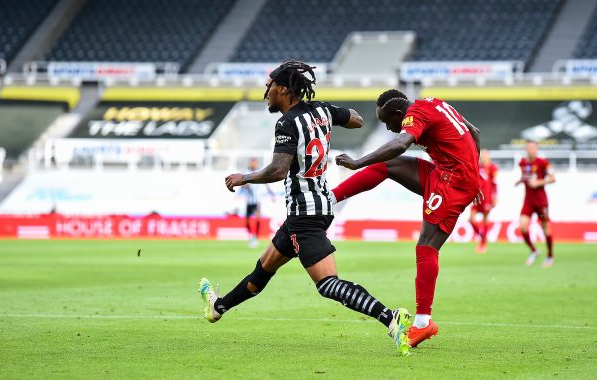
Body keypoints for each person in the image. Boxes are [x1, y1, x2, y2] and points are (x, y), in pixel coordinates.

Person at [199, 60, 413, 356]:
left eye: (270, 86)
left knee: (327, 284)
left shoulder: (286, 123)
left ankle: (391, 318)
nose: (267, 91)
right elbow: (356, 120)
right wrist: (329, 117)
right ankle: (218, 307)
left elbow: (277, 170)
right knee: (263, 270)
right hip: (318, 206)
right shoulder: (322, 109)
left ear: (284, 89)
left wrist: (243, 177)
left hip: (305, 213)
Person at [332, 89, 482, 349]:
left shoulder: (415, 114)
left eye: (387, 122)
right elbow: (475, 132)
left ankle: (423, 323)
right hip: (447, 172)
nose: (389, 128)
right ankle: (330, 199)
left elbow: (401, 143)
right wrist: (474, 172)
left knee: (426, 247)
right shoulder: (433, 103)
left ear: (399, 114)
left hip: (453, 181)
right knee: (387, 165)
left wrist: (357, 162)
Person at [515, 141, 556, 267]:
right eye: (529, 148)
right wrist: (520, 181)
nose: (531, 150)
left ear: (537, 149)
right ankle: (534, 251)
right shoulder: (522, 162)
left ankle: (550, 255)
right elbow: (526, 176)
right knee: (522, 226)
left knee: (545, 227)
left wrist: (538, 183)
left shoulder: (544, 163)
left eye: (534, 148)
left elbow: (553, 178)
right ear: (526, 149)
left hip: (541, 202)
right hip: (528, 201)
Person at [240, 158, 274, 248]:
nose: (253, 164)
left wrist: (272, 194)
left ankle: (256, 237)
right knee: (247, 222)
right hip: (249, 201)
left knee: (258, 219)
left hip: (257, 201)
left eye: (254, 163)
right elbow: (242, 185)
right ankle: (251, 236)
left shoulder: (259, 172)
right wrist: (245, 185)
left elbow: (266, 184)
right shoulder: (246, 172)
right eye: (252, 163)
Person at [469, 149, 498, 253]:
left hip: (487, 198)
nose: (483, 157)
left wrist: (495, 197)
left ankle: (483, 244)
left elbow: (495, 184)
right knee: (471, 220)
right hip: (476, 197)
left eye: (485, 155)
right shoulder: (478, 166)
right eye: (482, 155)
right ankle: (482, 238)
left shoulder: (493, 168)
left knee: (485, 220)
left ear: (488, 157)